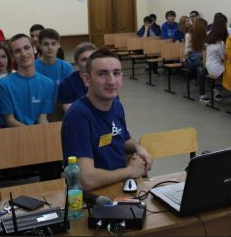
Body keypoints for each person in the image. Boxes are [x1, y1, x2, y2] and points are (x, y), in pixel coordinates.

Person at [61, 48, 153, 191]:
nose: (111, 81)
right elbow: (86, 180)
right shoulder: (77, 116)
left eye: (116, 73)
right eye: (102, 74)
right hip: (94, 195)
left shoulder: (116, 105)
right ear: (87, 79)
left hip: (120, 186)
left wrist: (139, 148)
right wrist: (130, 171)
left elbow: (123, 139)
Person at [0, 34, 55, 127]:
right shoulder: (4, 85)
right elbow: (10, 120)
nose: (23, 53)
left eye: (26, 48)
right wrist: (31, 133)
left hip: (37, 132)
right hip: (13, 133)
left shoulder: (48, 83)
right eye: (17, 51)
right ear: (12, 57)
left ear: (34, 49)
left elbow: (42, 118)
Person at [35, 29, 74, 103]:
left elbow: (71, 94)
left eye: (53, 44)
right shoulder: (32, 67)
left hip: (61, 106)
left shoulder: (66, 68)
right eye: (46, 44)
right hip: (39, 107)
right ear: (39, 46)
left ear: (58, 45)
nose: (50, 47)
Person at [58, 42, 98, 112]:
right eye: (84, 59)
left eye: (92, 58)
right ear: (77, 62)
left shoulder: (107, 80)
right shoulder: (67, 84)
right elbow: (71, 114)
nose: (89, 63)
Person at [183, 19, 208, 102]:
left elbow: (205, 50)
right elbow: (187, 52)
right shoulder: (188, 35)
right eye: (204, 27)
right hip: (189, 61)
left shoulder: (204, 35)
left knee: (201, 70)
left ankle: (202, 95)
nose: (206, 29)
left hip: (200, 61)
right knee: (201, 61)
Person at [205, 18, 228, 100]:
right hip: (216, 68)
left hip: (209, 66)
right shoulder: (220, 43)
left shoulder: (209, 40)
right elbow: (224, 58)